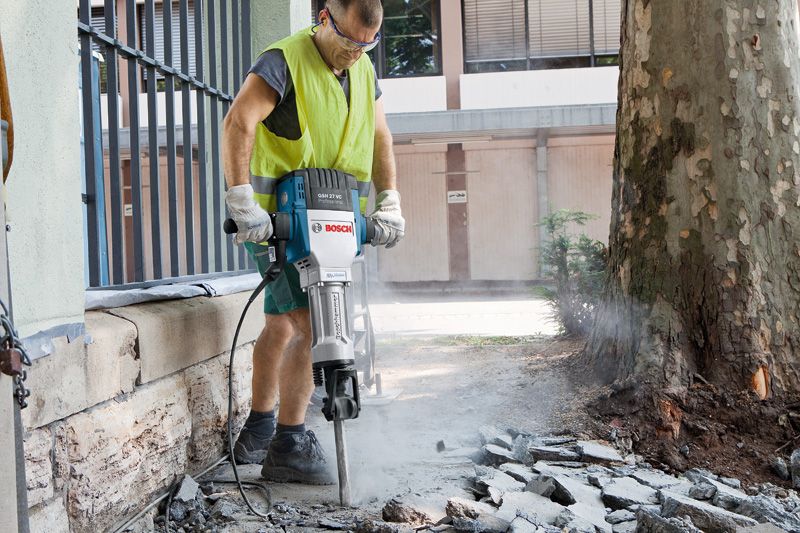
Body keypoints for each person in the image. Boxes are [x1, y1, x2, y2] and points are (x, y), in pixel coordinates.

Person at [221, 0, 404, 484]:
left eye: (367, 45)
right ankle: (290, 441)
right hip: (276, 218)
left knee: (282, 324)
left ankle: (259, 427)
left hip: (332, 215)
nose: (355, 53)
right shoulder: (283, 61)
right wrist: (242, 203)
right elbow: (239, 122)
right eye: (347, 41)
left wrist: (389, 201)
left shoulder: (364, 72)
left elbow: (381, 138)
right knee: (310, 321)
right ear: (324, 19)